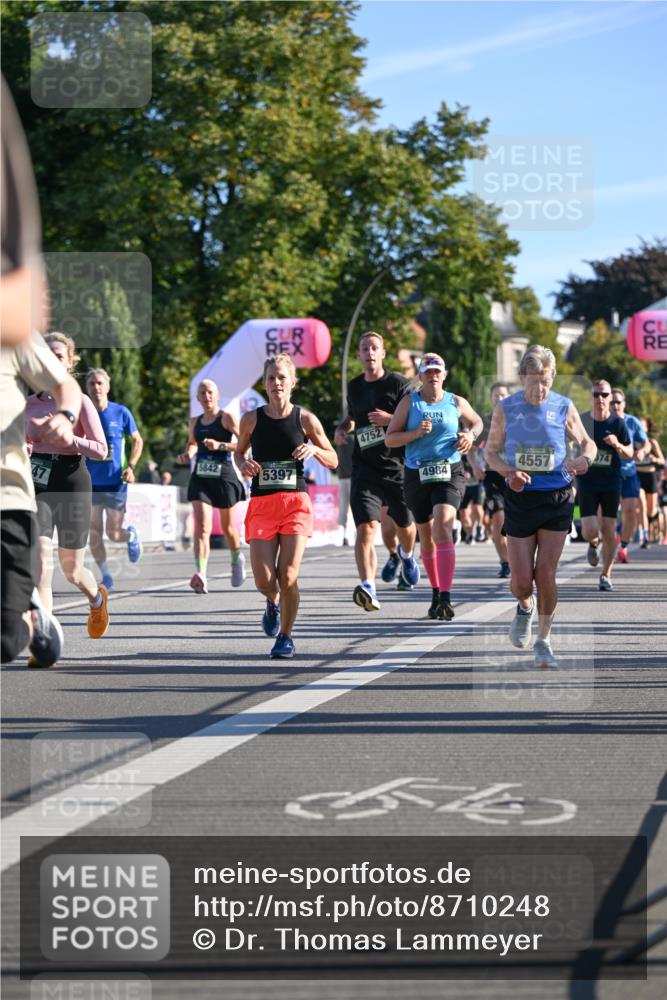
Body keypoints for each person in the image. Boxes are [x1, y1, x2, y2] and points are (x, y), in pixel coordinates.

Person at [484, 345, 596, 668]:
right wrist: (508, 472)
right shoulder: (506, 408)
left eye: (545, 381)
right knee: (521, 581)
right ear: (522, 377)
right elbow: (491, 453)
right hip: (520, 497)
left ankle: (544, 639)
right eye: (533, 381)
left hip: (557, 496)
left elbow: (587, 441)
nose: (539, 389)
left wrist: (584, 458)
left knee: (545, 572)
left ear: (553, 377)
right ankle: (524, 605)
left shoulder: (563, 406)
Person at [235, 353, 337, 659]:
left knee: (289, 574)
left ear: (293, 382)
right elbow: (239, 453)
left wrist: (316, 448)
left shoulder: (305, 419)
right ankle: (273, 601)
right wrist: (244, 464)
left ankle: (285, 636)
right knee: (265, 580)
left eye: (282, 377)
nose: (276, 383)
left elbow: (334, 459)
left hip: (295, 502)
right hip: (263, 503)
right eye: (271, 378)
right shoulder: (251, 419)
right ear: (264, 384)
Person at [1, 334, 82, 666]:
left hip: (7, 498)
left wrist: (65, 417)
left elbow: (67, 387)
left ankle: (33, 621)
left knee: (5, 644)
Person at [25, 333, 111, 642]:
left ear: (70, 362)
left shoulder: (81, 401)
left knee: (72, 570)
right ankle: (44, 640)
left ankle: (96, 599)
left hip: (73, 480)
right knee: (41, 566)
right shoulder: (29, 404)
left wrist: (70, 440)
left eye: (59, 355)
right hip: (39, 482)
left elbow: (102, 450)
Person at [386, 352, 483, 620]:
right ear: (420, 376)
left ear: (444, 374)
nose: (433, 375)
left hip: (450, 469)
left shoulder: (456, 401)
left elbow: (476, 421)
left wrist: (469, 435)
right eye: (428, 371)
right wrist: (415, 434)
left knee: (443, 523)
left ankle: (446, 597)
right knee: (426, 536)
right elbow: (390, 439)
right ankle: (435, 591)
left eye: (437, 370)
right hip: (417, 474)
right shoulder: (409, 403)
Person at [334, 331, 419, 613]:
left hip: (396, 467)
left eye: (374, 348)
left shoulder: (399, 384)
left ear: (382, 353)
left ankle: (406, 555)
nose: (369, 352)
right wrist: (343, 428)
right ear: (358, 355)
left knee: (405, 525)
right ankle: (367, 585)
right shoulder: (355, 386)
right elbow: (353, 417)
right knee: (366, 528)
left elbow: (416, 420)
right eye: (364, 348)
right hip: (364, 469)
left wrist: (390, 419)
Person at [176, 378, 246, 592]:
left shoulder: (226, 418)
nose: (206, 396)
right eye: (202, 393)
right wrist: (188, 455)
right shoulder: (194, 422)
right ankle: (201, 573)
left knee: (228, 529)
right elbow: (192, 443)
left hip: (224, 476)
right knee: (202, 526)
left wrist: (220, 445)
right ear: (197, 398)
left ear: (217, 396)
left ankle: (236, 558)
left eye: (210, 392)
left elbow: (244, 442)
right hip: (201, 477)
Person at [85, 368, 143, 591]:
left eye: (100, 383)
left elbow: (137, 441)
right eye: (91, 384)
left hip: (115, 482)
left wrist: (131, 466)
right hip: (90, 482)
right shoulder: (82, 413)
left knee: (114, 533)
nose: (96, 387)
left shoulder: (121, 412)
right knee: (94, 532)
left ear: (107, 387)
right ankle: (106, 575)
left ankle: (130, 535)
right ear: (87, 388)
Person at [576, 380, 632, 592]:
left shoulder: (618, 424)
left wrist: (617, 444)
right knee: (588, 530)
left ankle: (606, 574)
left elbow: (630, 453)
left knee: (609, 529)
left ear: (610, 397)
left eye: (605, 394)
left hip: (611, 482)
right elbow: (568, 441)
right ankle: (593, 542)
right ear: (591, 397)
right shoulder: (582, 421)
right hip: (587, 481)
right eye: (596, 394)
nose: (600, 398)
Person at [470, 382, 511, 578]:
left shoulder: (520, 421)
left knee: (518, 521)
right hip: (492, 476)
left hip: (516, 474)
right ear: (491, 399)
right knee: (498, 520)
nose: (500, 399)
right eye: (496, 395)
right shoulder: (484, 424)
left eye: (503, 395)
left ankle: (520, 559)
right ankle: (505, 562)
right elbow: (469, 448)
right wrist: (476, 466)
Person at [610, 388, 648, 564]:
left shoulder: (632, 422)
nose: (615, 405)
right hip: (607, 474)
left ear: (624, 404)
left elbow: (646, 443)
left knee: (631, 512)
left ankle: (623, 546)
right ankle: (602, 543)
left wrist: (642, 451)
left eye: (618, 402)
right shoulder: (601, 422)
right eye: (612, 402)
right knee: (606, 515)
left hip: (628, 473)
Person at [636, 417, 665, 546]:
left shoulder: (652, 442)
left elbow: (662, 460)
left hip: (650, 476)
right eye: (638, 426)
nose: (640, 429)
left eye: (643, 427)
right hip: (637, 475)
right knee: (641, 505)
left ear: (646, 429)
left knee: (651, 511)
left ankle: (656, 517)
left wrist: (653, 458)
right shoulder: (632, 442)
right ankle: (645, 536)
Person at [335, 431, 354, 546]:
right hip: (343, 476)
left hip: (354, 476)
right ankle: (345, 534)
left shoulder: (358, 432)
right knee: (344, 508)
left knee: (354, 507)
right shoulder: (340, 432)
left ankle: (352, 534)